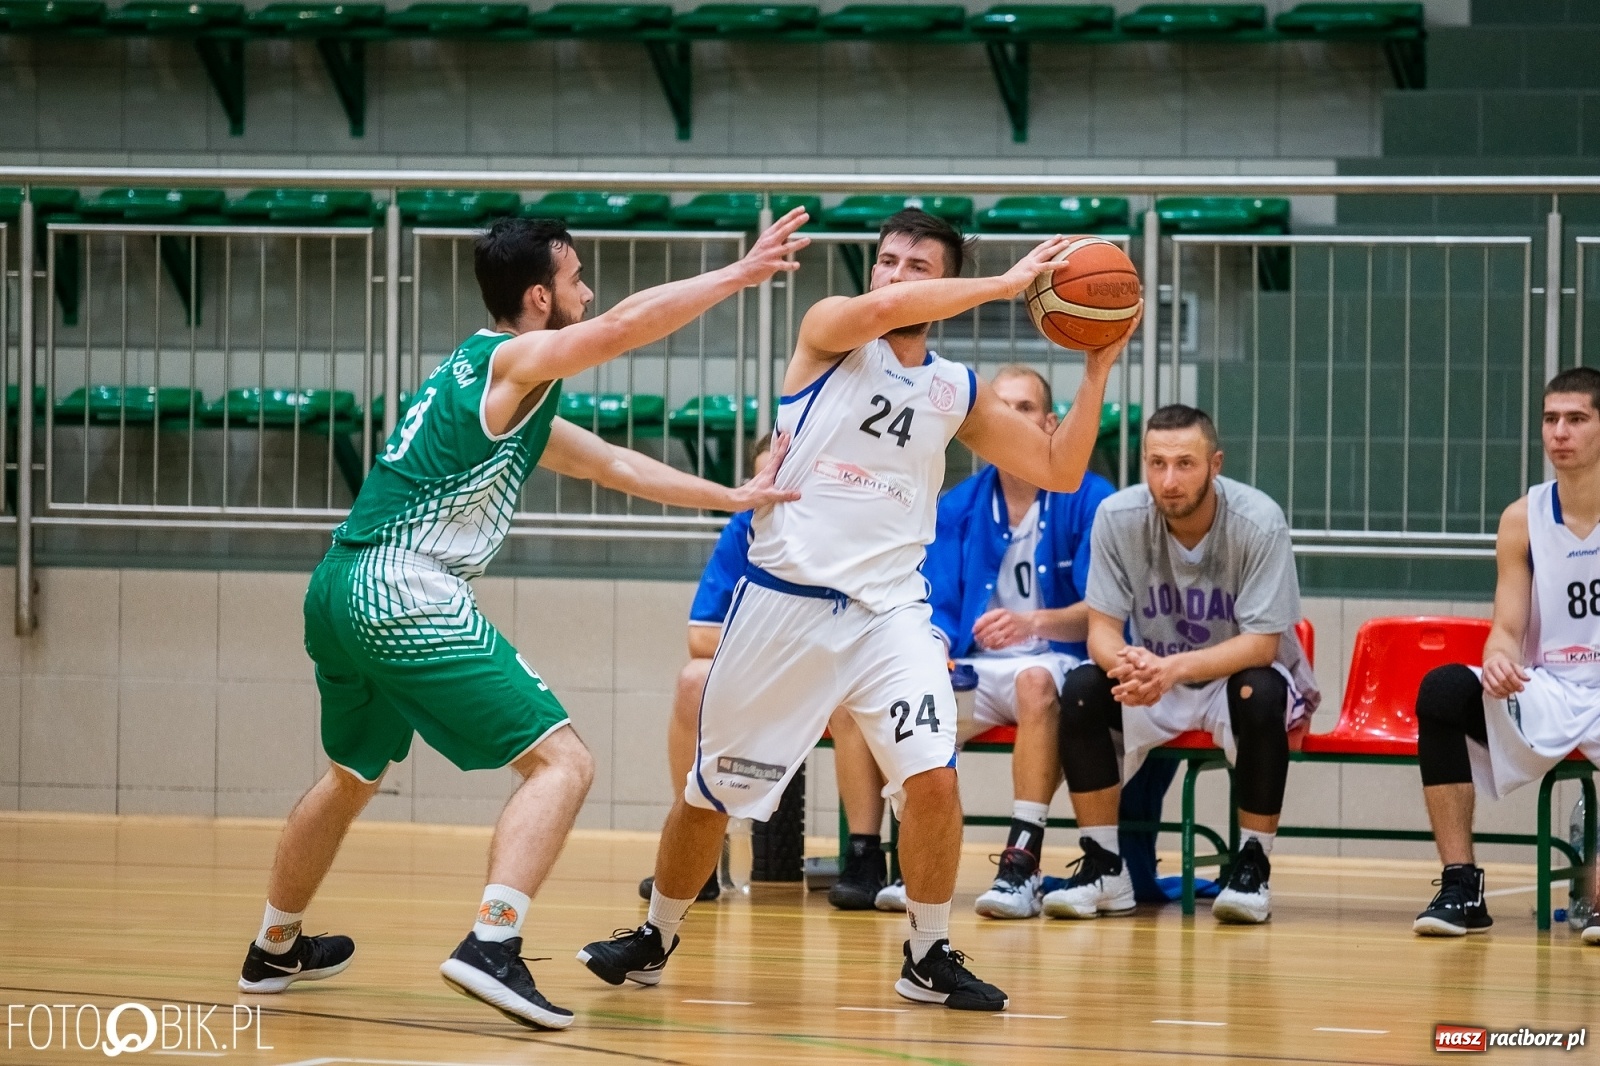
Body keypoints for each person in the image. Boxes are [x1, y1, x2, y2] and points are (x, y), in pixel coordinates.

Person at [235, 210, 811, 1031]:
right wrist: (738, 274)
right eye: (576, 280)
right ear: (540, 297)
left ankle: (273, 947)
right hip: (400, 587)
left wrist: (731, 497)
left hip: (338, 582)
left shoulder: (500, 389)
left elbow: (611, 463)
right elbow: (619, 329)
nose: (589, 292)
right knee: (564, 763)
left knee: (352, 776)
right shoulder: (510, 358)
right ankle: (491, 944)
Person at [577, 208, 1137, 1012]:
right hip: (783, 603)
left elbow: (1055, 465)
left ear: (941, 281)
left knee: (934, 779)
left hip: (890, 615)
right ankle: (656, 934)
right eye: (887, 261)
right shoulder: (829, 332)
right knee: (714, 794)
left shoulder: (955, 389)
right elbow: (878, 314)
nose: (894, 277)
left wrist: (1095, 372)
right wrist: (1012, 283)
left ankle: (926, 951)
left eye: (917, 267)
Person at [1047, 403, 1318, 926]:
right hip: (1158, 675)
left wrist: (1170, 670)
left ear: (1215, 464)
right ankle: (1106, 867)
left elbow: (1261, 645)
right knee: (1083, 687)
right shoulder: (1118, 517)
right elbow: (1101, 631)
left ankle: (1252, 865)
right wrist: (1130, 667)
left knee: (1261, 691)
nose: (1169, 480)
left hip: (1232, 677)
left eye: (1185, 464)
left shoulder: (1258, 521)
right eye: (1156, 463)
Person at [637, 435, 883, 906]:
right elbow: (701, 635)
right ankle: (699, 858)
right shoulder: (742, 529)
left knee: (854, 697)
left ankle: (864, 855)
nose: (771, 489)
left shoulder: (850, 532)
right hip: (767, 672)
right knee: (693, 681)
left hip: (834, 672)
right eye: (761, 478)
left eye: (784, 477)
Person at [1411, 367, 1600, 945]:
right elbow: (1507, 626)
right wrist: (1497, 658)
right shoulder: (1522, 518)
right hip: (1550, 684)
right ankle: (1460, 884)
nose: (1559, 432)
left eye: (1576, 419)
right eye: (1550, 419)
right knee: (1442, 689)